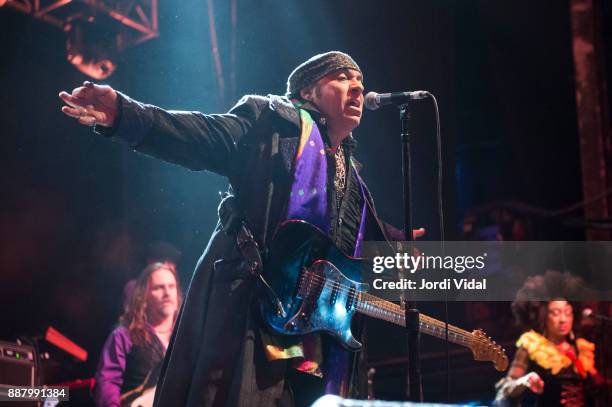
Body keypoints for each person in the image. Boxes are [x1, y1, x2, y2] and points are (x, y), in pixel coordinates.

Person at [60, 51, 419, 407]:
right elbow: (199, 134)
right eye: (342, 78)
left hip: (314, 334)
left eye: (360, 81)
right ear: (308, 92)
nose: (356, 87)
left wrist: (405, 248)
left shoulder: (351, 175)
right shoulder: (272, 124)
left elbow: (362, 236)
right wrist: (124, 114)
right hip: (252, 307)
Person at [495, 272, 601, 406]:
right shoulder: (531, 346)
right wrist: (524, 381)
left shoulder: (581, 349)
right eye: (555, 313)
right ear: (544, 316)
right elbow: (506, 388)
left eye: (568, 313)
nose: (563, 319)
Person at [94, 262, 182, 407]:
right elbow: (107, 382)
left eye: (171, 286)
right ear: (144, 295)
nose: (167, 293)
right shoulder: (124, 336)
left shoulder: (186, 337)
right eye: (159, 288)